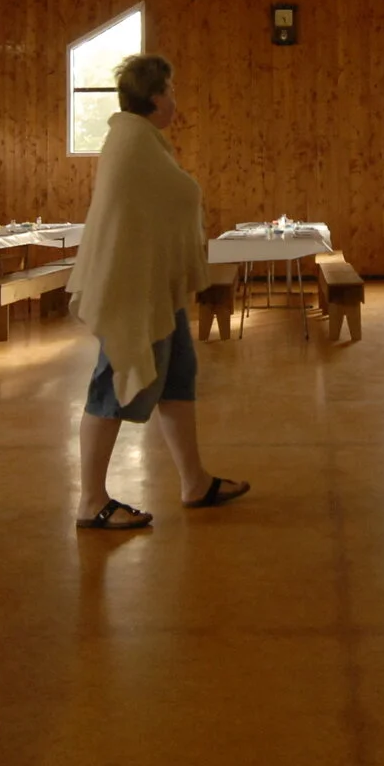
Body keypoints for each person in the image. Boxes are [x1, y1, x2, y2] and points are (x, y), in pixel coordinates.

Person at [65, 53, 247, 530]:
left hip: (153, 285)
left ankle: (194, 481)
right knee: (115, 380)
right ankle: (90, 500)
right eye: (171, 91)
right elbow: (171, 198)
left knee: (178, 377)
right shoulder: (131, 141)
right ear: (154, 95)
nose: (175, 101)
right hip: (131, 288)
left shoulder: (142, 138)